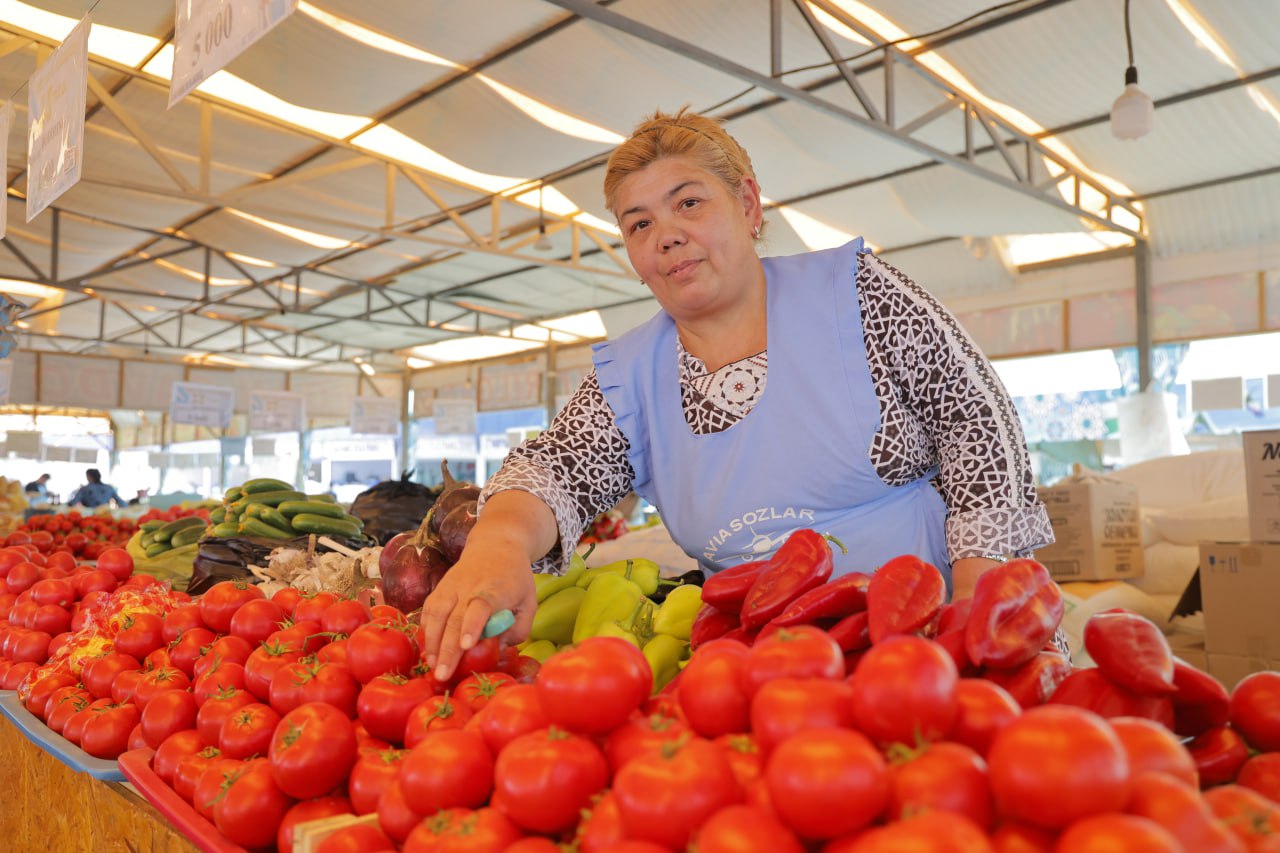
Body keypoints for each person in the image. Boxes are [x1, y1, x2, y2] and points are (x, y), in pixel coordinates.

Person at [420, 109, 1054, 681]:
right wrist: (498, 543)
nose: (665, 235)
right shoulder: (633, 373)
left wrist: (979, 612)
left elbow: (977, 422)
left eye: (688, 203)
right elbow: (555, 470)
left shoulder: (856, 295)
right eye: (639, 224)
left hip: (933, 645)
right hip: (767, 677)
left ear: (748, 205)